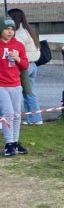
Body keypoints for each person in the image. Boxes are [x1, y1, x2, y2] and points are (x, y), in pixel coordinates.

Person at [7, 8, 43, 126]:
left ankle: (34, 119)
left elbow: (16, 51)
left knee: (26, 93)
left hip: (24, 66)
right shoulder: (29, 30)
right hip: (33, 65)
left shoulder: (18, 34)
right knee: (29, 93)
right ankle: (34, 118)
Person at [0, 16, 29, 157]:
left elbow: (25, 65)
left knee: (17, 115)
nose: (10, 31)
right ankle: (9, 143)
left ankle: (15, 142)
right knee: (8, 114)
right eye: (6, 29)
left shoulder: (19, 45)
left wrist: (17, 58)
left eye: (12, 29)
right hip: (2, 86)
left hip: (16, 85)